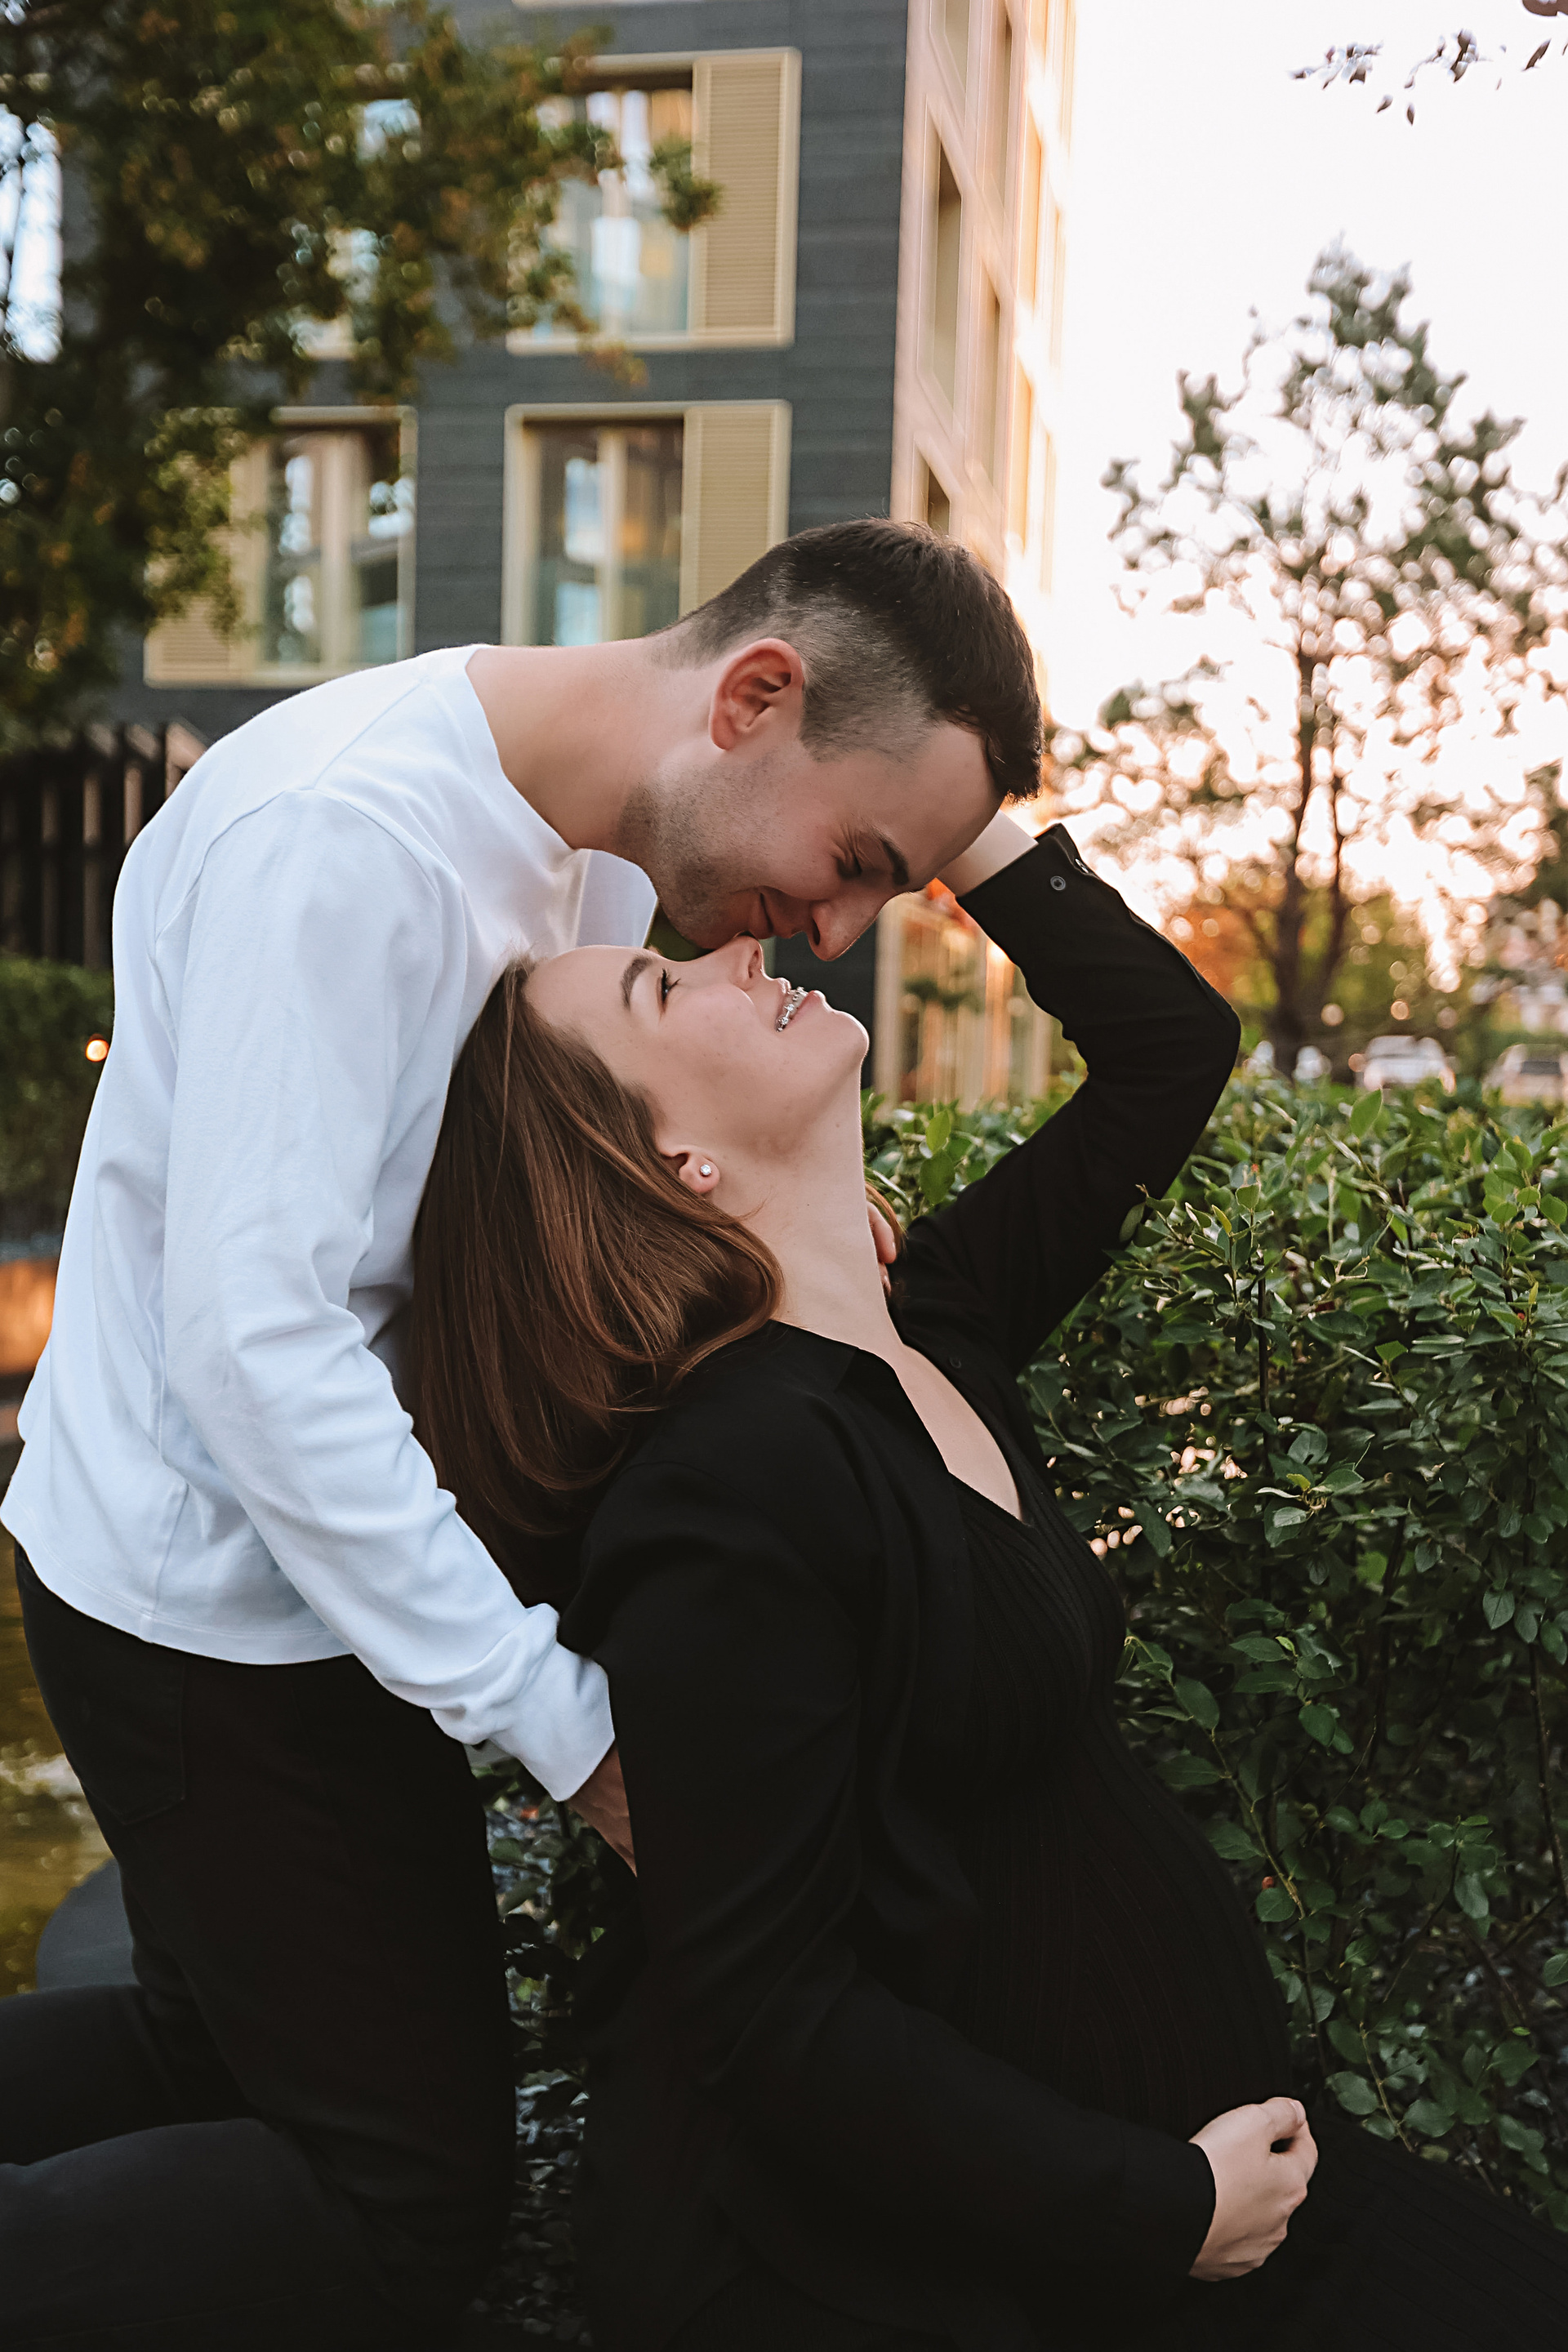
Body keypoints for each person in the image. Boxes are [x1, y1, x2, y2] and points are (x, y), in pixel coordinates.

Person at [0, 521, 1040, 2350]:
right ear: (755, 697)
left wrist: (787, 1243)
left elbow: (543, 1217)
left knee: (206, 2041)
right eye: (861, 862)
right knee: (402, 2199)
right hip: (204, 1602)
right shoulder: (343, 842)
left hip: (337, 1574)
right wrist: (564, 1725)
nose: (838, 935)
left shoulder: (611, 858)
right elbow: (257, 1346)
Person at [411, 810, 1568, 2351]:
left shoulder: (932, 1326)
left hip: (1217, 2198)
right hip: (1004, 2263)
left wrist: (934, 807)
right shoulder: (724, 1484)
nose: (737, 948)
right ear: (672, 1158)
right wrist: (1154, 2207)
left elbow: (1169, 1047)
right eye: (661, 986)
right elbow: (766, 2007)